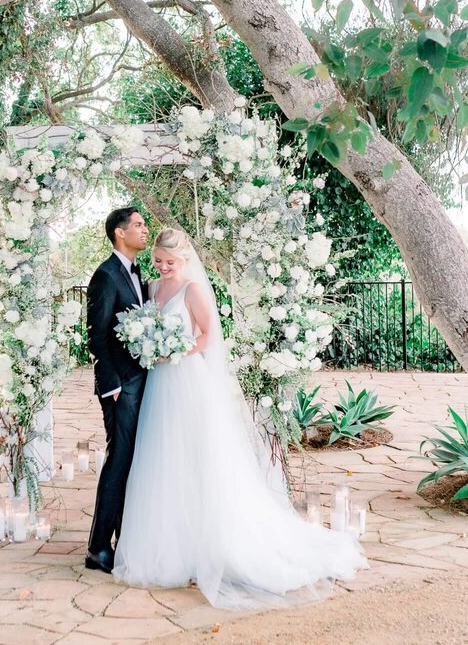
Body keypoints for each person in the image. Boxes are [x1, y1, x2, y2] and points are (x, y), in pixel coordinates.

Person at [111, 228, 368, 609]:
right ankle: (171, 546)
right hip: (159, 385)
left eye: (170, 262)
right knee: (164, 459)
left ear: (183, 260)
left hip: (186, 378)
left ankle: (212, 544)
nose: (163, 268)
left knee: (199, 457)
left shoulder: (192, 290)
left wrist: (174, 351)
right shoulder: (151, 289)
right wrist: (152, 349)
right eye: (159, 262)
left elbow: (207, 337)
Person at [84, 207, 150, 574]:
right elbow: (96, 336)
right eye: (138, 225)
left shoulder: (137, 274)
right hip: (119, 387)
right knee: (119, 460)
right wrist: (111, 386)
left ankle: (124, 536)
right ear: (119, 233)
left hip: (140, 381)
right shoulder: (106, 276)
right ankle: (97, 548)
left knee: (132, 461)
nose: (144, 230)